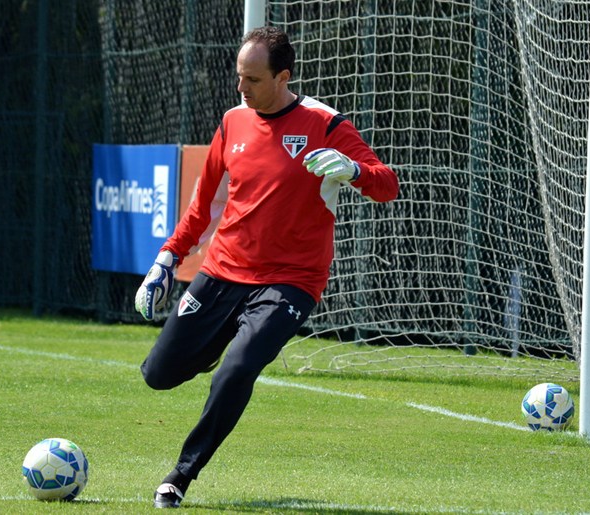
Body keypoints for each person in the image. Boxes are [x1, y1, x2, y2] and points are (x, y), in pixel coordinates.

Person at [135, 26, 399, 509]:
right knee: (157, 374)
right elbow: (202, 205)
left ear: (283, 77)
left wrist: (354, 170)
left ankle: (181, 475)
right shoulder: (232, 121)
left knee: (236, 371)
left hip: (290, 283)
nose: (242, 88)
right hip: (222, 272)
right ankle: (218, 343)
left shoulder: (326, 124)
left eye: (253, 79)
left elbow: (387, 184)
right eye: (239, 77)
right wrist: (167, 259)